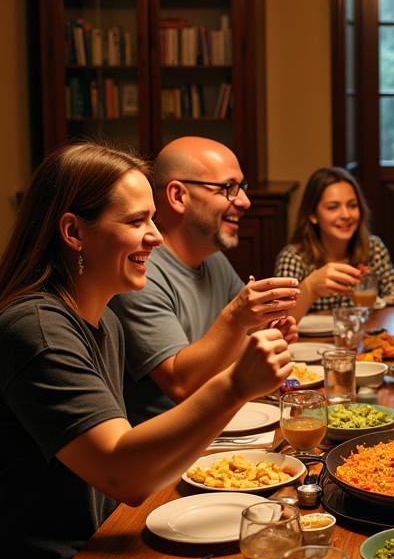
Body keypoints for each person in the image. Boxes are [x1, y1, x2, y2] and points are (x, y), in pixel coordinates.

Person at [0, 143, 293, 559]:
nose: (156, 236)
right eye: (137, 221)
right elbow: (124, 474)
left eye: (154, 218)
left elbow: (126, 471)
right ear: (73, 232)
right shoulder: (35, 332)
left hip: (89, 551)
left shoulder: (99, 320)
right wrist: (235, 386)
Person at [108, 137, 300, 424]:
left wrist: (262, 334)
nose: (245, 201)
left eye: (242, 188)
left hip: (222, 423)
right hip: (169, 445)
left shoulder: (213, 259)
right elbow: (180, 385)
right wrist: (237, 317)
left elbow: (231, 348)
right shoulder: (140, 271)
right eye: (228, 188)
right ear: (178, 196)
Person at [273, 167, 394, 320]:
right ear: (313, 215)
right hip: (309, 342)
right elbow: (279, 320)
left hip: (367, 337)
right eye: (333, 207)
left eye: (352, 205)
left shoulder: (373, 248)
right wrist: (310, 288)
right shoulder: (293, 258)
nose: (346, 215)